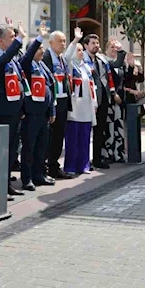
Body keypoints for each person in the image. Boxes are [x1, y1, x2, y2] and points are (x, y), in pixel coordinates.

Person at [0, 19, 36, 196]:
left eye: (15, 37)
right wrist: (20, 40)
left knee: (12, 150)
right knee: (1, 151)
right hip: (3, 112)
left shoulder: (13, 57)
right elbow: (1, 61)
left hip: (15, 111)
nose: (15, 39)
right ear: (0, 40)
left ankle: (6, 184)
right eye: (11, 37)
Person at [18, 25, 55, 190]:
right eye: (39, 48)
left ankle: (39, 175)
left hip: (44, 114)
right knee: (29, 148)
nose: (42, 50)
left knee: (41, 147)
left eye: (42, 47)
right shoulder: (27, 64)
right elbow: (25, 59)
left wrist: (52, 110)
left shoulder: (43, 66)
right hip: (31, 114)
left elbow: (50, 88)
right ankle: (27, 179)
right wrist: (39, 37)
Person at [43, 28, 83, 180]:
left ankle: (53, 166)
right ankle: (44, 167)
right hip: (51, 104)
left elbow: (68, 56)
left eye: (64, 41)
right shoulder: (47, 57)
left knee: (59, 137)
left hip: (63, 102)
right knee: (49, 138)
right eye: (60, 41)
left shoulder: (60, 58)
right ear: (51, 42)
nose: (63, 44)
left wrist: (75, 40)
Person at [83, 34, 119, 170]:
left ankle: (97, 159)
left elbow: (116, 64)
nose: (96, 45)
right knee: (86, 132)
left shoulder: (102, 59)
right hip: (88, 101)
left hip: (103, 100)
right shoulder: (82, 59)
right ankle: (84, 162)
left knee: (100, 131)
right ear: (86, 45)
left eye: (97, 43)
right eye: (93, 43)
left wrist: (120, 51)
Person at [65, 43, 96, 176]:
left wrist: (94, 103)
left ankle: (84, 165)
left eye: (81, 50)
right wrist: (75, 40)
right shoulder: (70, 65)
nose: (81, 52)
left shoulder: (86, 67)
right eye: (78, 50)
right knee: (72, 140)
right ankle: (71, 166)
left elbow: (91, 87)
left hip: (86, 108)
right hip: (75, 109)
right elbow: (67, 56)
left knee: (85, 139)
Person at [104, 38, 126, 163]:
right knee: (109, 128)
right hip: (110, 99)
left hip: (119, 100)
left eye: (115, 47)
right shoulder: (106, 62)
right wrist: (114, 94)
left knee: (118, 126)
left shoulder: (121, 63)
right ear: (106, 49)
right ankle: (109, 154)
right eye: (111, 47)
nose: (114, 49)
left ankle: (119, 153)